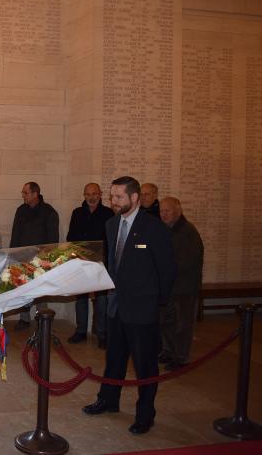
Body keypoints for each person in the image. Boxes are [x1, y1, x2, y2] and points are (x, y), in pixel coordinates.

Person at [82, 176, 175, 435]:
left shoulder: (154, 228)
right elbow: (113, 264)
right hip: (116, 306)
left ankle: (145, 414)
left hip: (142, 309)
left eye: (119, 197)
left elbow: (167, 270)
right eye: (112, 196)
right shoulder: (111, 225)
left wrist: (158, 302)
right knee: (114, 359)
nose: (113, 201)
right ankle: (108, 400)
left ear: (134, 198)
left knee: (145, 365)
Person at [158, 197, 204, 371]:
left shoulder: (187, 232)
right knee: (167, 322)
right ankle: (169, 351)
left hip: (184, 288)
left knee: (182, 324)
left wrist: (162, 266)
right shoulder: (166, 229)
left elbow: (186, 262)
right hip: (169, 287)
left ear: (178, 211)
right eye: (161, 211)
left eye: (167, 211)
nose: (163, 214)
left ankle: (181, 357)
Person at [66, 183, 114, 348]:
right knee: (81, 299)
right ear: (84, 195)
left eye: (94, 193)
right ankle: (80, 331)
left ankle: (102, 334)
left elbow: (111, 240)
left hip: (100, 263)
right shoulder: (77, 213)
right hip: (81, 262)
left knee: (101, 300)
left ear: (100, 194)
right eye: (88, 194)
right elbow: (71, 237)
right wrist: (75, 257)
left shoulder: (108, 213)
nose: (91, 197)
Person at [9, 181, 59, 329]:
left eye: (25, 193)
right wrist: (13, 255)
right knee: (23, 289)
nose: (23, 195)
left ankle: (43, 319)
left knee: (40, 291)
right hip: (22, 258)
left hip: (40, 260)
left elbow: (53, 239)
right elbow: (15, 234)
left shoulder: (49, 211)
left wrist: (48, 259)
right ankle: (24, 319)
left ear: (35, 194)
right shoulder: (21, 210)